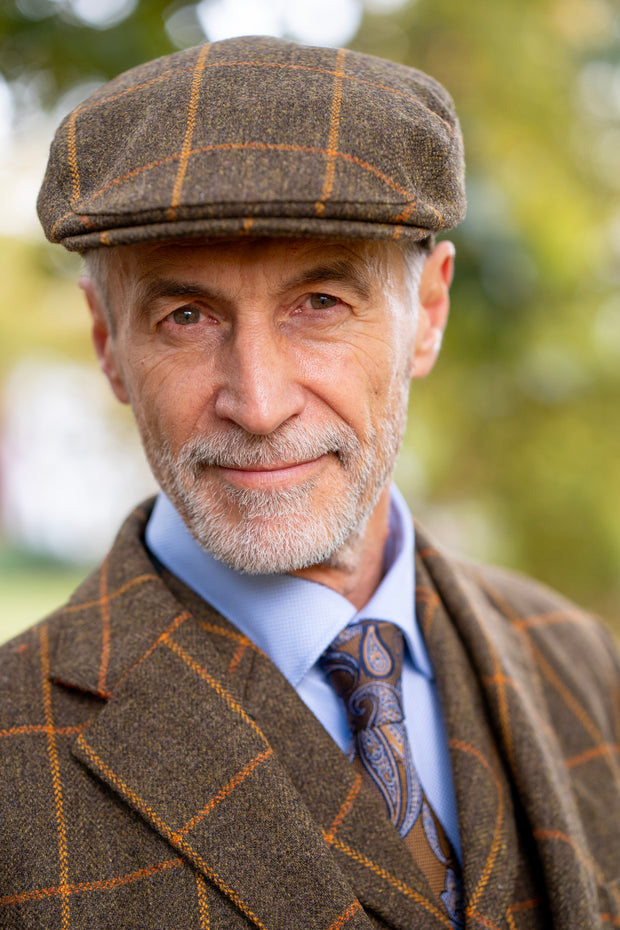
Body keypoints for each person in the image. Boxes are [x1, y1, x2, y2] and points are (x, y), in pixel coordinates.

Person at [1, 35, 619, 930]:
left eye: (320, 304)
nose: (258, 403)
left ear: (428, 313)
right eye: (185, 315)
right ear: (107, 344)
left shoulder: (587, 667)